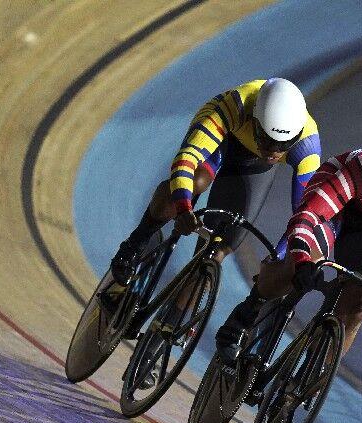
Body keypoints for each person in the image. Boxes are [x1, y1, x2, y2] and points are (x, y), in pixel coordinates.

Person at [215, 136, 362, 361]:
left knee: (360, 304)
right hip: (336, 198)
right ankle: (248, 309)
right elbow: (308, 216)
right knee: (303, 263)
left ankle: (311, 376)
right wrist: (301, 261)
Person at [110, 78, 322, 286]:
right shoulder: (236, 105)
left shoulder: (307, 147)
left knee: (217, 250)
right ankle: (135, 243)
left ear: (298, 136)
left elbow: (305, 216)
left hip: (253, 167)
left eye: (283, 145)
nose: (273, 151)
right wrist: (184, 208)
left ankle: (171, 319)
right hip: (224, 138)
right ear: (254, 120)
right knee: (196, 181)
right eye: (267, 140)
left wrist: (279, 256)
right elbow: (186, 160)